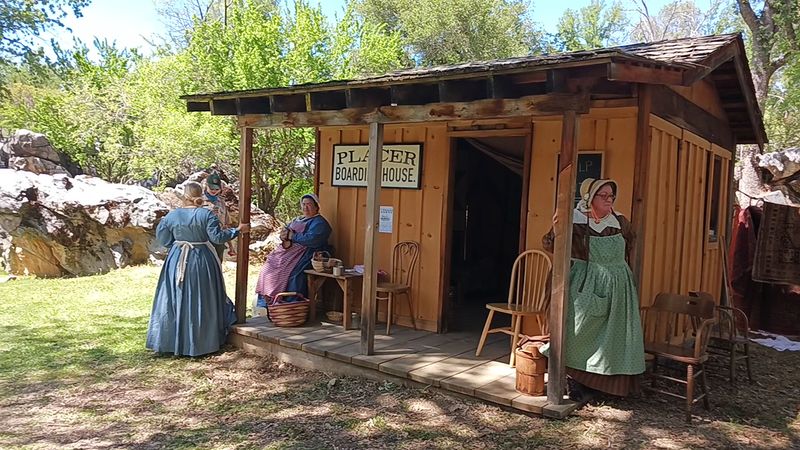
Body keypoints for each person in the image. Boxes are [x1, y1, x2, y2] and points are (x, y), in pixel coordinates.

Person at [540, 178, 645, 400]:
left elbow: (630, 246)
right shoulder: (574, 221)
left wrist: (621, 275)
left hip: (618, 288)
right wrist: (558, 230)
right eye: (603, 195)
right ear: (589, 197)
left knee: (613, 336)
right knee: (578, 331)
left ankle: (605, 385)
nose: (609, 199)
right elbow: (550, 245)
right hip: (583, 283)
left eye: (611, 196)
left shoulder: (620, 222)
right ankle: (575, 381)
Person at [146, 181, 250, 357]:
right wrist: (237, 231)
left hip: (177, 258)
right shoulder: (206, 214)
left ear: (184, 195)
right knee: (201, 296)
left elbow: (163, 238)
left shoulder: (172, 216)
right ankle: (200, 342)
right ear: (201, 194)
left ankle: (171, 341)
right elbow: (217, 237)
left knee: (175, 297)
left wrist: (177, 245)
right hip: (201, 259)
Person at [255, 194, 332, 307]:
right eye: (303, 204)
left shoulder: (320, 223)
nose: (305, 208)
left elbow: (313, 239)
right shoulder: (297, 219)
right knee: (267, 269)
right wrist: (284, 235)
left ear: (316, 207)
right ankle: (267, 301)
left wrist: (293, 237)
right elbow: (287, 231)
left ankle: (290, 304)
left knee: (293, 274)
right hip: (287, 251)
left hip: (306, 253)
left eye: (309, 205)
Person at [203, 172, 236, 261]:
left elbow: (226, 225)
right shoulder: (199, 200)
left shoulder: (221, 202)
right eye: (211, 188)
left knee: (217, 269)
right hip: (203, 241)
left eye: (217, 189)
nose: (214, 191)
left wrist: (231, 246)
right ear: (206, 185)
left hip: (218, 240)